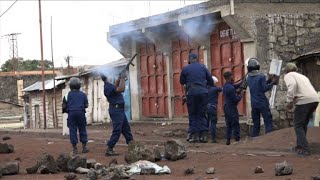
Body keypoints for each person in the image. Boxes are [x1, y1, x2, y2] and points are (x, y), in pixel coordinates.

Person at [284, 63, 319, 156]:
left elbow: (292, 85)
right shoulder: (302, 76)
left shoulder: (289, 75)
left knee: (298, 125)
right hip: (315, 99)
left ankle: (304, 149)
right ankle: (300, 146)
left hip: (304, 101)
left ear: (286, 71)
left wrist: (289, 101)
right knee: (303, 124)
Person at [180, 53, 213, 143]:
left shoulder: (186, 68)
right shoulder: (203, 67)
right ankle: (204, 136)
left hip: (191, 93)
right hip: (203, 93)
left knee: (193, 113)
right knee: (202, 113)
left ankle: (194, 135)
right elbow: (210, 80)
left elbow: (182, 81)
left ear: (189, 60)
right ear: (197, 59)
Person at [101, 73, 133, 156]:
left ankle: (132, 145)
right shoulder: (107, 87)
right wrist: (122, 78)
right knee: (117, 130)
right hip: (116, 110)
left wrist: (119, 79)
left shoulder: (109, 86)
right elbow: (121, 89)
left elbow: (116, 87)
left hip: (118, 110)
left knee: (126, 129)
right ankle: (110, 148)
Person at [246, 58, 279, 137]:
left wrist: (269, 81)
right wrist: (273, 82)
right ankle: (269, 138)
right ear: (258, 67)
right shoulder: (261, 76)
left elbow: (259, 86)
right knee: (268, 121)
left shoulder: (248, 78)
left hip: (254, 104)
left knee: (256, 123)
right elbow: (264, 88)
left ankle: (255, 139)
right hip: (262, 103)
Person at [62, 77, 89, 155]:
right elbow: (86, 105)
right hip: (81, 113)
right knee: (82, 128)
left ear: (70, 85)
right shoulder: (83, 94)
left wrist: (67, 110)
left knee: (72, 130)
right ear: (79, 85)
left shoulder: (67, 94)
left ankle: (75, 149)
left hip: (71, 114)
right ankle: (84, 147)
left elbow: (64, 106)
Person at [223, 71, 243, 145]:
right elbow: (235, 100)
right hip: (231, 107)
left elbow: (235, 85)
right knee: (235, 123)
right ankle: (237, 139)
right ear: (229, 77)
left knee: (228, 124)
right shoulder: (230, 88)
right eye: (232, 75)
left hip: (226, 107)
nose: (233, 76)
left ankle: (228, 140)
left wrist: (242, 82)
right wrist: (240, 95)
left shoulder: (226, 86)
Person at [207, 76, 223, 143]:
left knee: (206, 123)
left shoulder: (205, 89)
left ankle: (204, 138)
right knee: (213, 123)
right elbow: (223, 88)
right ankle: (213, 139)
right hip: (212, 107)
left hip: (205, 107)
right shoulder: (215, 89)